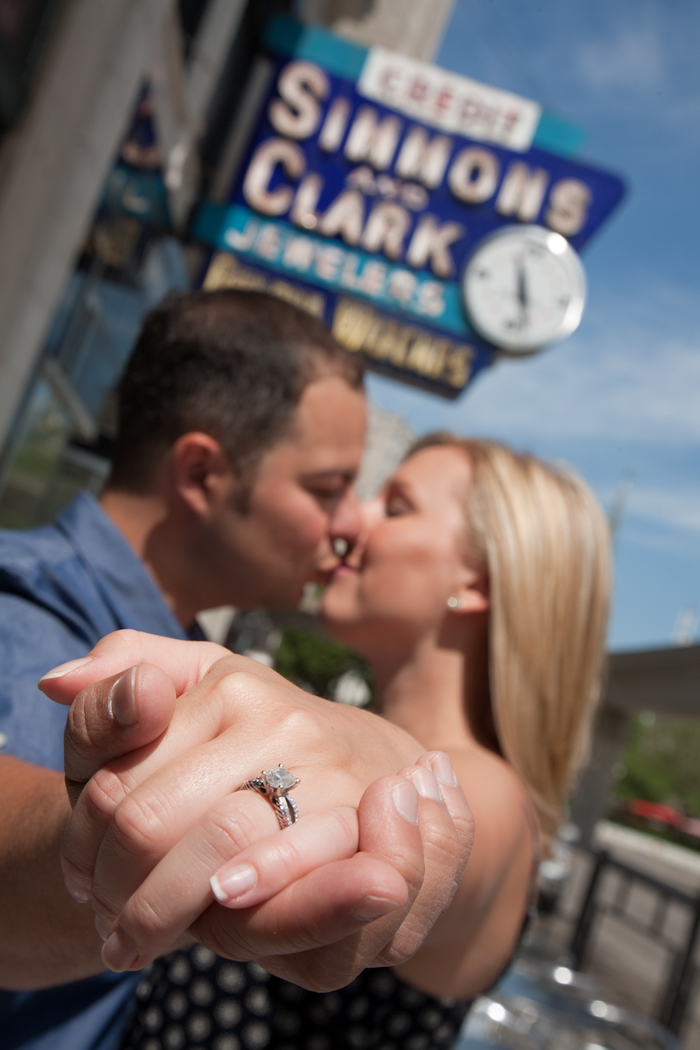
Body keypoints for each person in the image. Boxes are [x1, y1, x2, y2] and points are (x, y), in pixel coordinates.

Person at [0, 291, 472, 1050]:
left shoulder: (178, 647)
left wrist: (374, 755)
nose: (352, 523)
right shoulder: (21, 619)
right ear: (202, 473)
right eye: (327, 489)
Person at [44, 432, 611, 1049]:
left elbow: (454, 828)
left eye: (396, 506)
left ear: (477, 582)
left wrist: (374, 766)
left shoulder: (498, 799)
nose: (351, 521)